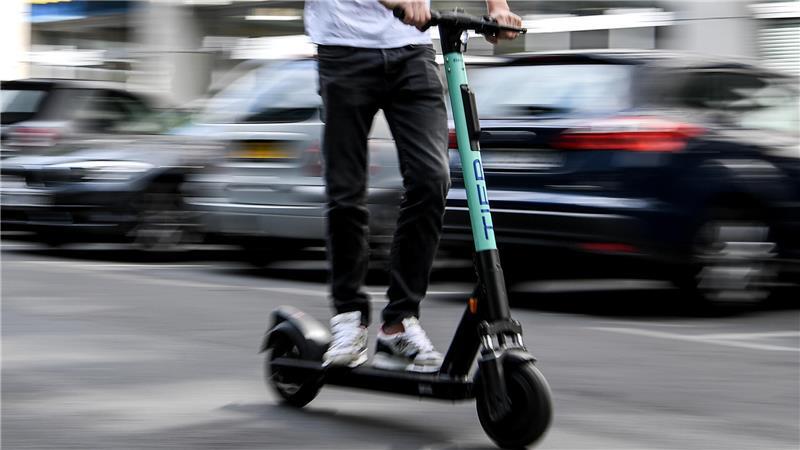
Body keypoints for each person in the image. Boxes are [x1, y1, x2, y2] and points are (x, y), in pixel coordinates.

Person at [305, 0, 522, 372]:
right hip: (343, 47)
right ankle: (348, 318)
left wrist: (498, 8)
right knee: (347, 194)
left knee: (431, 180)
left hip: (412, 51)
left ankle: (398, 323)